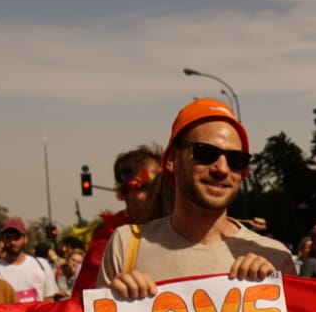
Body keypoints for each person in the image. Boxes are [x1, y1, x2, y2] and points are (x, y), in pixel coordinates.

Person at [100, 98, 295, 297]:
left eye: (236, 159)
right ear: (172, 159)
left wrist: (276, 294)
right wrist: (115, 300)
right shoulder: (126, 246)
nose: (222, 169)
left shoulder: (275, 258)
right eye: (205, 153)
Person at [74, 145, 168, 291]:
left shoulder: (182, 227)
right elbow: (88, 298)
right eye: (144, 186)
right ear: (125, 193)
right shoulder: (109, 239)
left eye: (161, 185)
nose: (156, 192)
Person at [0, 218, 59, 302]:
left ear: (25, 238)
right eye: (8, 237)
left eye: (16, 237)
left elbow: (49, 300)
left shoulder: (42, 265)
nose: (13, 242)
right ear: (3, 240)